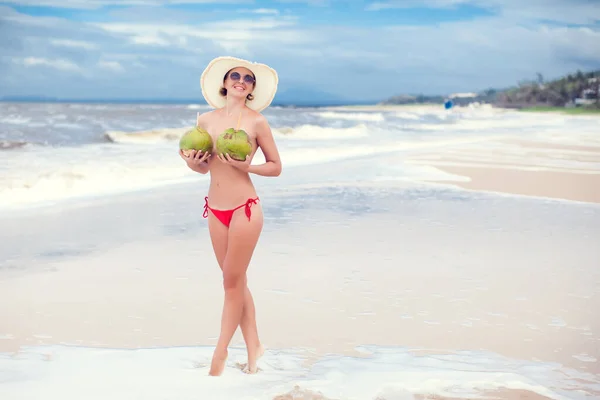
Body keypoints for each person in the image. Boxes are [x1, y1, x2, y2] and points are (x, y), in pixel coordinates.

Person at [179, 56, 282, 376]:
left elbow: (276, 166)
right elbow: (204, 166)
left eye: (248, 79)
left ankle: (220, 353)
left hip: (244, 208)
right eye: (234, 75)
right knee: (236, 281)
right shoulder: (205, 121)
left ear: (252, 89)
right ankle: (255, 348)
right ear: (224, 83)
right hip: (215, 208)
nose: (241, 80)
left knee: (230, 282)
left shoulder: (256, 122)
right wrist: (192, 163)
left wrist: (246, 166)